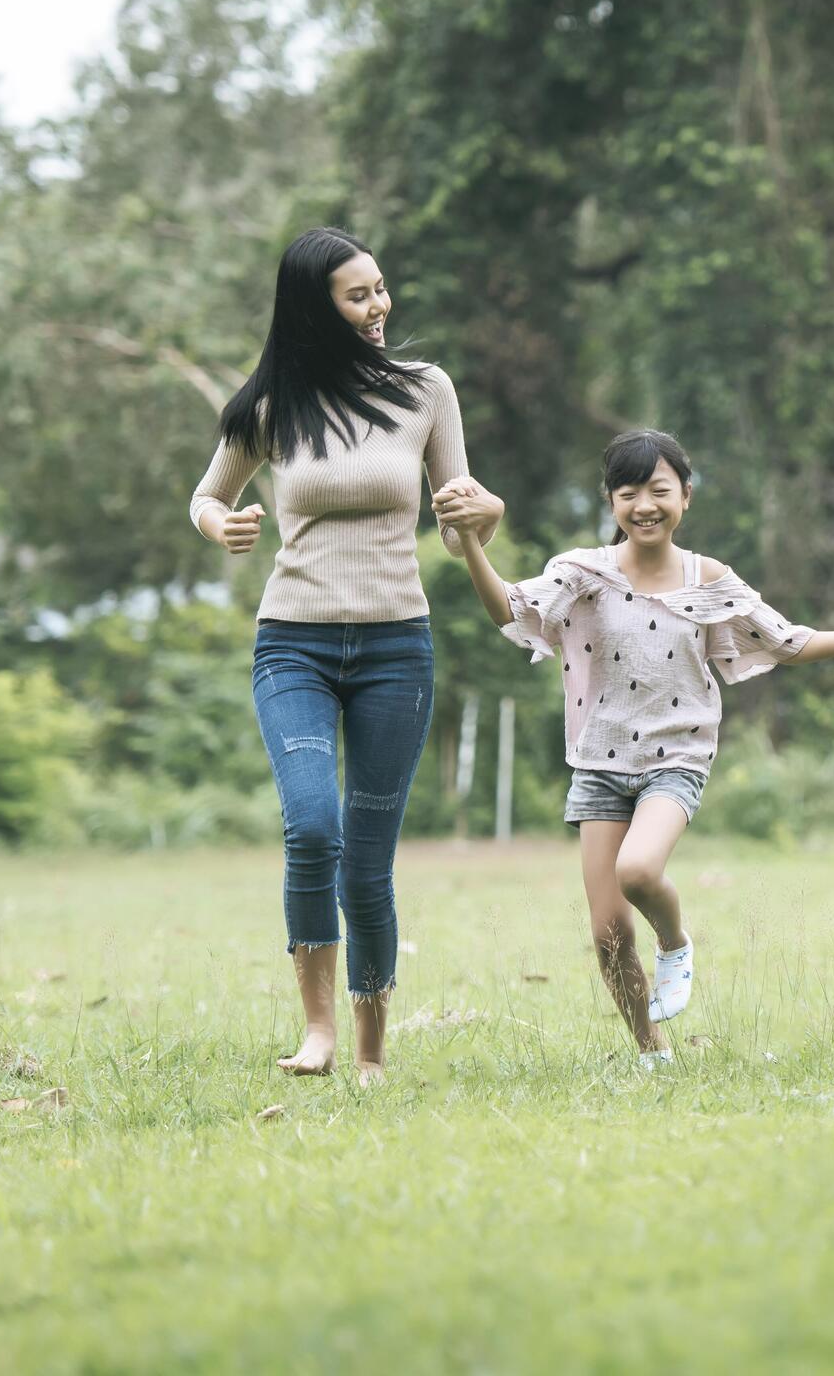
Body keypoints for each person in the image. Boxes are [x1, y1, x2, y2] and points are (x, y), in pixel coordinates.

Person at [433, 430, 834, 1066]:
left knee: (639, 871)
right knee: (608, 933)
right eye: (629, 492)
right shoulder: (584, 573)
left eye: (659, 490)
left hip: (677, 759)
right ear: (611, 503)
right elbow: (510, 608)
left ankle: (675, 941)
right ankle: (651, 1050)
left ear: (686, 497)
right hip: (599, 762)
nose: (645, 504)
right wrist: (472, 542)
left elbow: (783, 639)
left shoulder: (708, 579)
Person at [190, 227, 484, 1083]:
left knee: (368, 855)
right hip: (295, 645)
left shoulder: (426, 390)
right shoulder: (272, 405)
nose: (380, 307)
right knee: (312, 822)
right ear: (315, 309)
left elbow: (460, 508)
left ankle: (368, 1051)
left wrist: (485, 513)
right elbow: (208, 496)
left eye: (381, 289)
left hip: (398, 644)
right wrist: (224, 524)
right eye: (359, 296)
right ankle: (316, 1030)